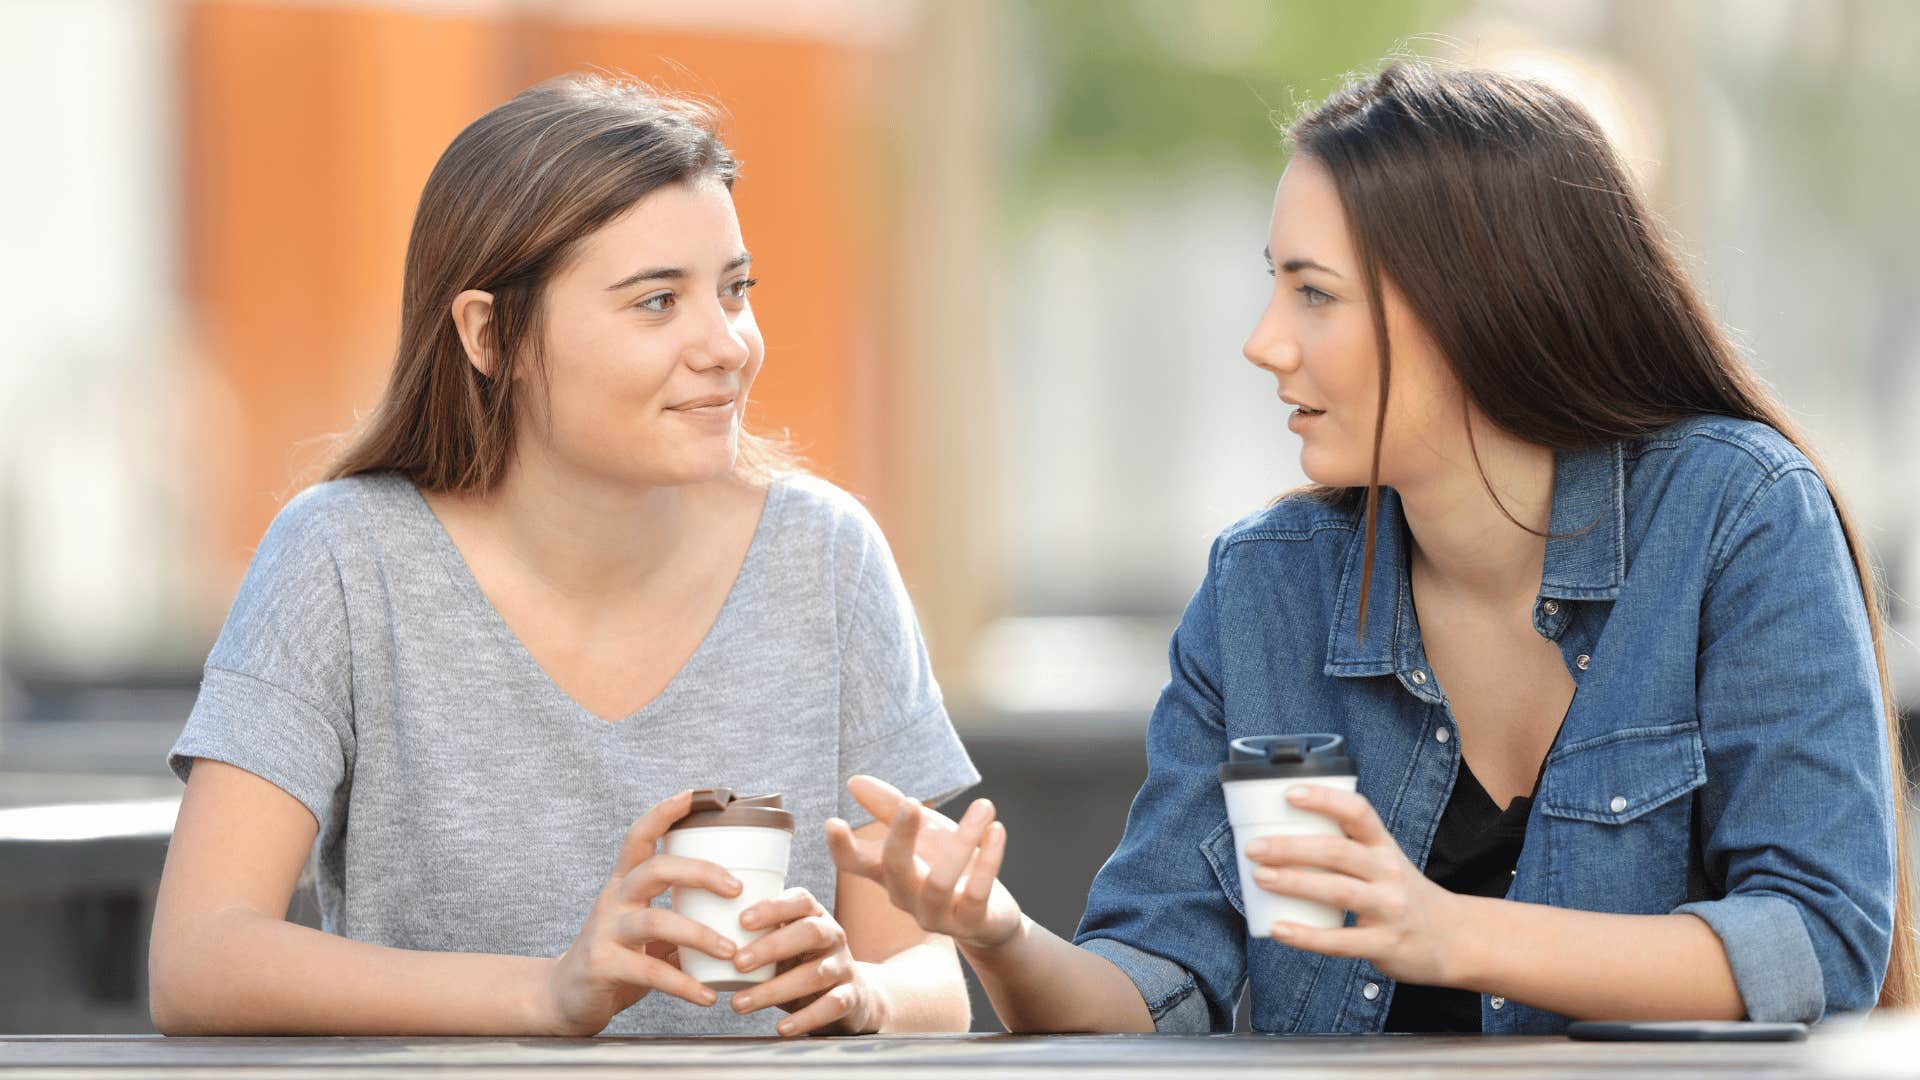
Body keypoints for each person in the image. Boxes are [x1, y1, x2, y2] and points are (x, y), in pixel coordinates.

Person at [830, 60, 1914, 1034]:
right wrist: (999, 934)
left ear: (1476, 308)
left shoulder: (1737, 514)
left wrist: (1446, 931)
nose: (1264, 341)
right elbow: (1158, 985)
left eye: (1313, 293)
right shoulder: (1267, 586)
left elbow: (1820, 942)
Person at [149, 74, 978, 1038]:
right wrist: (547, 994)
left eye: (735, 290)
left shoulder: (828, 558)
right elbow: (200, 957)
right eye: (658, 302)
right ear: (488, 333)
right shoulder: (343, 557)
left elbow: (933, 976)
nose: (728, 344)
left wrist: (865, 993)